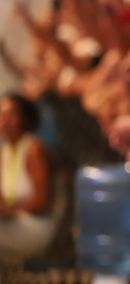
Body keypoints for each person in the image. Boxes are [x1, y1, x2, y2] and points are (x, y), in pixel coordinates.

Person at [0, 93, 55, 260]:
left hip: (35, 224)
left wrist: (12, 211)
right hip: (10, 223)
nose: (5, 121)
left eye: (11, 115)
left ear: (24, 118)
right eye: (1, 115)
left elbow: (41, 202)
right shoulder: (4, 152)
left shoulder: (33, 148)